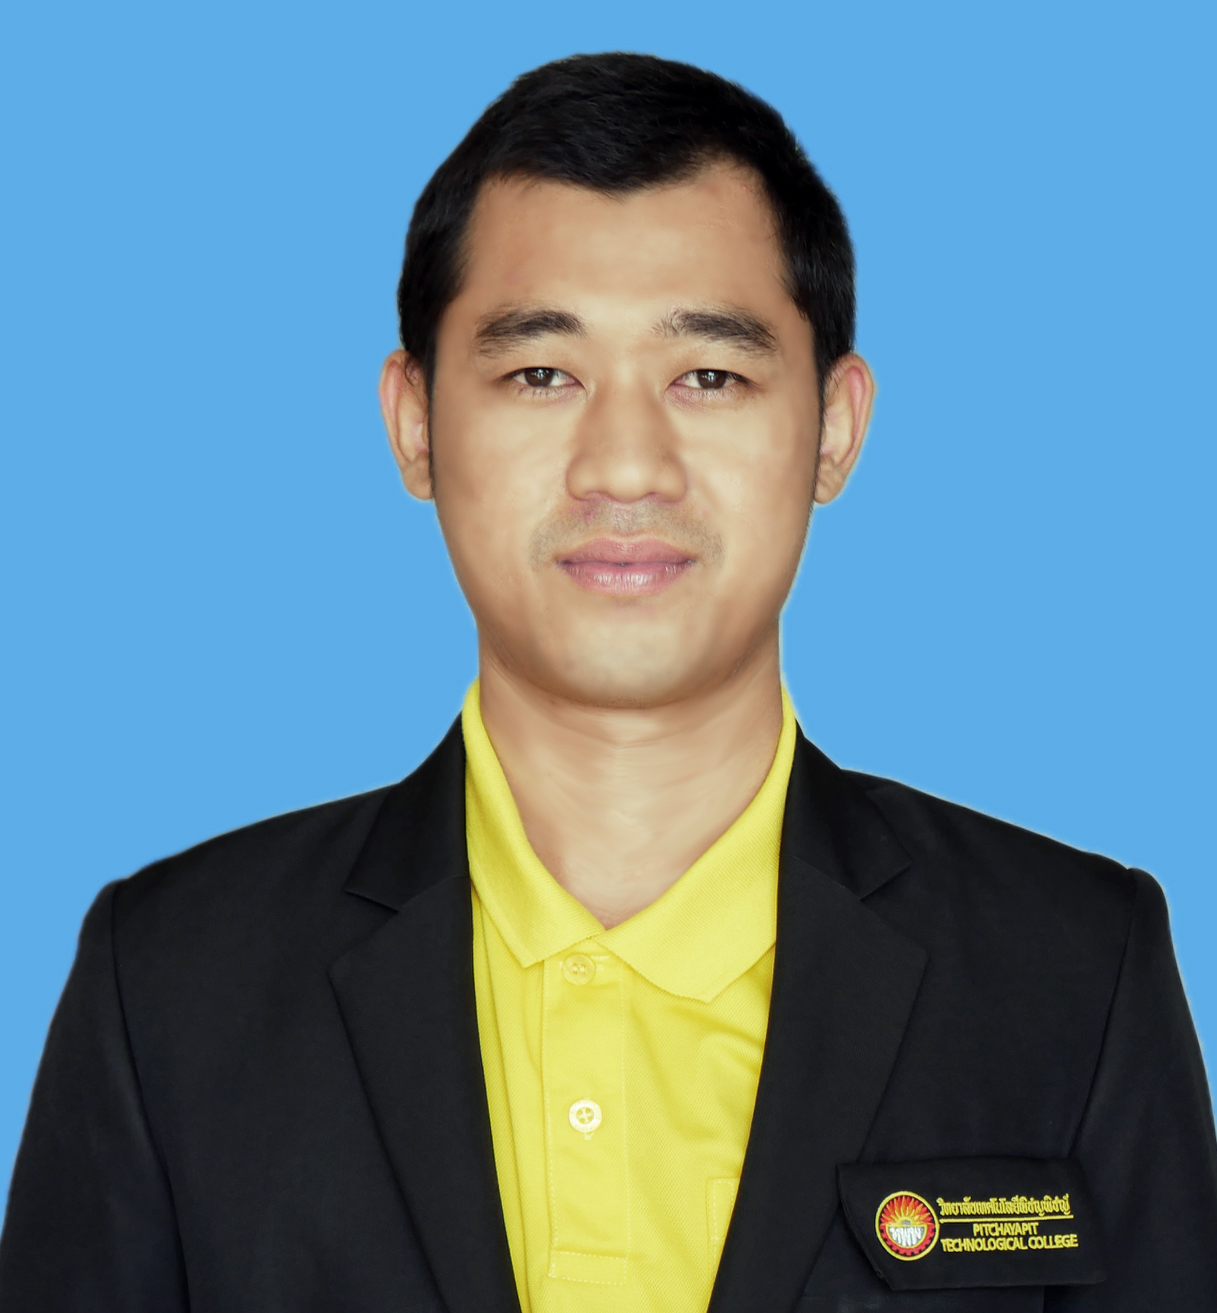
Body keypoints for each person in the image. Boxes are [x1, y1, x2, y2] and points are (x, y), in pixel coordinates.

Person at [1, 51, 1214, 1313]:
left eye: (708, 375)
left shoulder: (1071, 969)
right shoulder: (170, 985)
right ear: (414, 423)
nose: (625, 466)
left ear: (834, 427)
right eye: (541, 374)